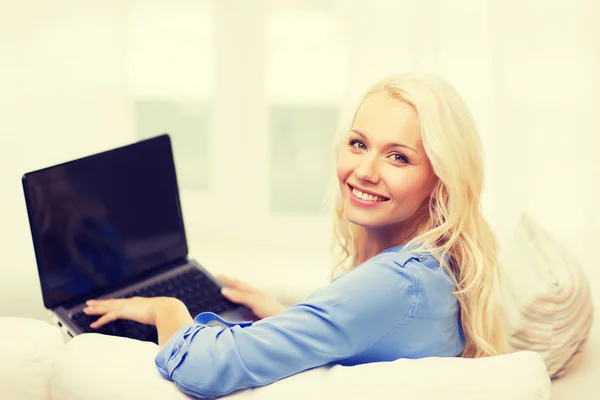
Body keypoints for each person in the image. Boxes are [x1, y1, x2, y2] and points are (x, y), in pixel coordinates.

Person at [83, 73, 509, 398]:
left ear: (442, 179)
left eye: (398, 157)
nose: (365, 171)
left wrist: (165, 307)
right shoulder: (434, 264)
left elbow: (206, 367)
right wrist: (288, 318)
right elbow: (371, 333)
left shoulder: (397, 283)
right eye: (359, 144)